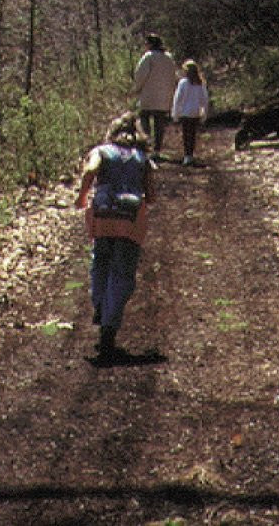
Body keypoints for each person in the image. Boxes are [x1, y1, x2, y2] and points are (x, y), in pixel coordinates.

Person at [73, 112, 156, 364]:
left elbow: (91, 169)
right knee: (122, 273)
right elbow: (151, 196)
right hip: (129, 222)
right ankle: (109, 326)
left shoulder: (101, 151)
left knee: (100, 263)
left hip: (103, 217)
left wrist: (82, 195)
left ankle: (100, 303)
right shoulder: (143, 158)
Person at [132, 34, 179, 158]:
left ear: (150, 44)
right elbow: (173, 76)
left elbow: (140, 76)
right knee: (159, 124)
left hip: (148, 95)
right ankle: (157, 150)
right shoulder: (168, 58)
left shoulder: (148, 57)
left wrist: (136, 89)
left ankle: (146, 147)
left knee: (144, 120)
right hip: (164, 97)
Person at [171, 60, 210, 166]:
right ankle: (190, 155)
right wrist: (204, 114)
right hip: (195, 113)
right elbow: (205, 100)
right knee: (192, 135)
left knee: (186, 135)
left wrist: (175, 114)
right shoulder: (200, 83)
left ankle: (187, 156)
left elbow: (177, 99)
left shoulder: (183, 83)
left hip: (185, 113)